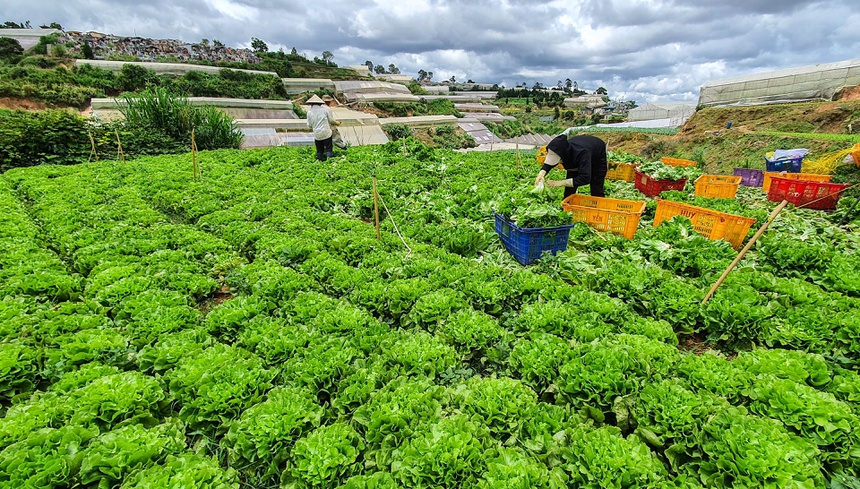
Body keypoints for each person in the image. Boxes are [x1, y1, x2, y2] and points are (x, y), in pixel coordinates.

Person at [534, 134, 608, 198]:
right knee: (568, 192)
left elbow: (585, 178)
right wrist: (541, 174)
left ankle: (599, 208)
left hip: (597, 155)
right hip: (576, 154)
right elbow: (549, 164)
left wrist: (560, 183)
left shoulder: (583, 153)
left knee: (596, 187)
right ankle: (568, 207)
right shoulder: (563, 149)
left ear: (563, 155)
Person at [306, 94, 337, 161]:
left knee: (319, 150)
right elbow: (331, 120)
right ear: (320, 103)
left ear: (311, 104)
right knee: (328, 148)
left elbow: (309, 125)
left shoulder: (309, 112)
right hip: (326, 133)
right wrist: (336, 123)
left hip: (317, 134)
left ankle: (320, 161)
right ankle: (329, 161)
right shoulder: (324, 110)